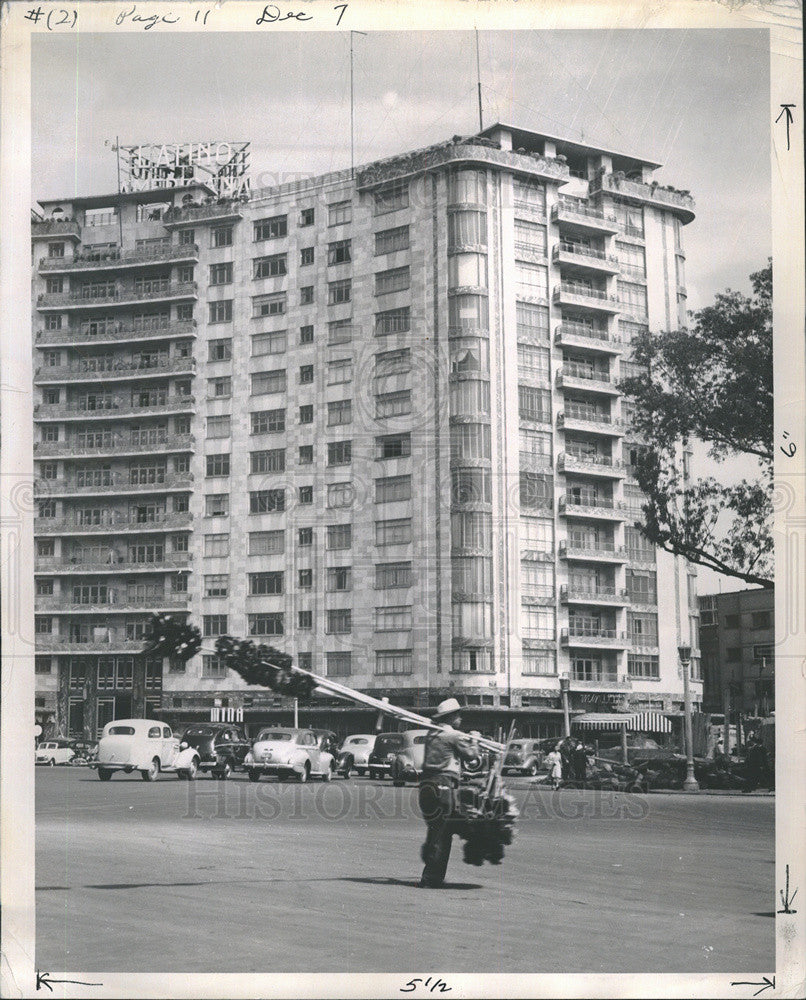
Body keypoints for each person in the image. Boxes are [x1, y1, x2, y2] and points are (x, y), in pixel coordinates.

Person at [417, 698, 479, 888]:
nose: (460, 718)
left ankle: (431, 862)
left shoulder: (432, 734)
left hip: (426, 785)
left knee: (438, 828)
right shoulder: (452, 735)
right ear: (451, 717)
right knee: (443, 831)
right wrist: (475, 739)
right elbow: (472, 756)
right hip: (443, 785)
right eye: (458, 715)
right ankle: (431, 877)